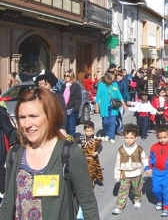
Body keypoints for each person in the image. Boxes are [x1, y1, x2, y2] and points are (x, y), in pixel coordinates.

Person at [0, 88, 99, 219]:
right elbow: (7, 201)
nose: (27, 124)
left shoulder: (70, 154)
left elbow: (88, 203)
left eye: (34, 116)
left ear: (51, 116)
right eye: (22, 117)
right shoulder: (14, 154)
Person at [112, 123, 148, 215]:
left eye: (131, 138)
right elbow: (117, 163)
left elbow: (144, 158)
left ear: (136, 138)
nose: (128, 140)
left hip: (136, 173)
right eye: (126, 137)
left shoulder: (139, 149)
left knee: (137, 189)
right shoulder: (121, 149)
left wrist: (146, 166)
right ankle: (119, 207)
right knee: (123, 191)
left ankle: (137, 200)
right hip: (125, 174)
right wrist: (117, 175)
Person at [147, 124, 168, 216]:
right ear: (157, 137)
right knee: (155, 190)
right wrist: (149, 167)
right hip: (156, 172)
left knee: (166, 190)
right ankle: (160, 200)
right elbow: (151, 157)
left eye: (165, 137)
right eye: (160, 138)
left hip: (167, 172)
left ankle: (166, 206)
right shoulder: (154, 147)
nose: (163, 140)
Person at [95, 71, 127, 143]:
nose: (114, 77)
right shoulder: (101, 84)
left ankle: (111, 137)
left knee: (112, 122)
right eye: (113, 76)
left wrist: (123, 104)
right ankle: (107, 133)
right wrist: (96, 105)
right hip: (104, 106)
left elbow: (119, 94)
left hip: (113, 106)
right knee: (105, 122)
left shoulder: (114, 84)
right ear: (109, 76)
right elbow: (98, 95)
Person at [74, 121, 103, 189]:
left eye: (91, 131)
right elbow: (74, 142)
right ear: (84, 130)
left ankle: (91, 183)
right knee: (83, 171)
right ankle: (85, 181)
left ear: (94, 130)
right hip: (83, 158)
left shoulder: (95, 139)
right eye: (87, 131)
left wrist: (96, 152)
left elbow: (100, 147)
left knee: (91, 172)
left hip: (92, 159)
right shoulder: (81, 138)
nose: (89, 133)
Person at [62, 69, 82, 138]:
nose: (66, 77)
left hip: (73, 110)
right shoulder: (63, 86)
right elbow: (61, 98)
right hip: (65, 110)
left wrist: (75, 109)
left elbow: (79, 98)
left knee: (71, 128)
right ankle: (67, 142)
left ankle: (72, 144)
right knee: (66, 128)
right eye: (65, 76)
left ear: (71, 76)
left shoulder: (76, 86)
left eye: (67, 76)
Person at [114, 70, 130, 136]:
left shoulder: (123, 83)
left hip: (121, 101)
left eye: (122, 76)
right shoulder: (113, 83)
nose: (121, 77)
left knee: (120, 115)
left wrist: (127, 100)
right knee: (114, 115)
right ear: (117, 76)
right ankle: (114, 128)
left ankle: (119, 128)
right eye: (120, 75)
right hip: (114, 101)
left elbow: (126, 91)